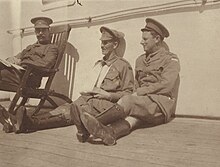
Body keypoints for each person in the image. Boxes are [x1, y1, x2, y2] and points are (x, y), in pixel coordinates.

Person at [3, 26, 134, 137]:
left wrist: (109, 95)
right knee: (61, 110)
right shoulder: (99, 64)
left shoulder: (123, 66)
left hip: (101, 105)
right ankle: (23, 121)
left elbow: (128, 94)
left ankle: (29, 124)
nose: (102, 45)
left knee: (66, 115)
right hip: (85, 99)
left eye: (106, 42)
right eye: (101, 42)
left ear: (115, 44)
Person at [78, 18, 181, 146]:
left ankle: (87, 127)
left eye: (145, 39)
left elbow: (167, 85)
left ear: (157, 39)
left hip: (160, 105)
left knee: (128, 100)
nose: (141, 42)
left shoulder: (170, 59)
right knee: (132, 119)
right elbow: (136, 85)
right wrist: (135, 94)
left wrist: (139, 93)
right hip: (143, 105)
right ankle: (110, 133)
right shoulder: (140, 60)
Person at [0, 16, 58, 132]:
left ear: (49, 31)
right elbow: (16, 57)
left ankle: (7, 117)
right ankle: (9, 118)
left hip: (29, 78)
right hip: (17, 74)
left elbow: (46, 65)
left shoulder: (52, 48)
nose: (40, 33)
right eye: (37, 30)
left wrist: (23, 62)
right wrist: (11, 60)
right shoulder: (30, 47)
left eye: (43, 30)